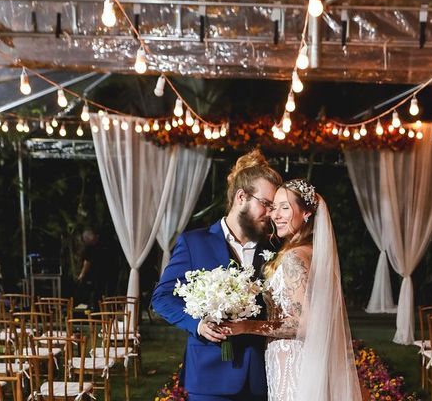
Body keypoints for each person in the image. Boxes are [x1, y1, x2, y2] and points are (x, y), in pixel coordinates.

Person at [152, 149, 282, 401]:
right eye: (266, 204)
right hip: (208, 376)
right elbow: (162, 297)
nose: (271, 214)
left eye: (274, 207)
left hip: (261, 376)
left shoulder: (275, 249)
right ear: (241, 197)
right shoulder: (194, 242)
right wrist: (196, 324)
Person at [221, 179, 362, 401]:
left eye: (285, 208)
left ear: (306, 213)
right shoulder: (312, 251)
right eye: (274, 207)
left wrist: (247, 325)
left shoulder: (294, 257)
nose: (275, 215)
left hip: (294, 361)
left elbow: (301, 324)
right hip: (307, 358)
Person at [77, 229, 106, 308]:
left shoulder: (90, 247)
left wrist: (82, 274)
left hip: (96, 276)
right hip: (100, 275)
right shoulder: (98, 244)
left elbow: (87, 262)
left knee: (95, 295)